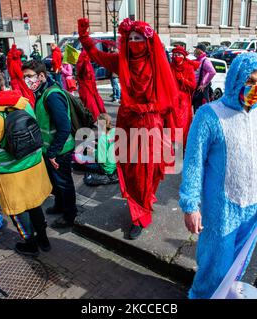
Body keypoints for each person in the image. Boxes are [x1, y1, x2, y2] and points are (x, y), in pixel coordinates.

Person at [179, 52, 257, 299]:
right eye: (250, 80)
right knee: (213, 267)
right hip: (221, 211)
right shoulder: (209, 115)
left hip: (255, 209)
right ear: (237, 79)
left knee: (238, 264)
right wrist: (190, 206)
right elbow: (194, 164)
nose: (256, 87)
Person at [78, 17, 178, 239]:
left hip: (151, 124)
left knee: (147, 171)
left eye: (138, 38)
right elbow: (97, 56)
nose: (134, 42)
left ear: (147, 40)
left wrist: (169, 130)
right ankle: (138, 209)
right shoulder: (121, 61)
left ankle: (141, 212)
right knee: (131, 170)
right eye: (130, 38)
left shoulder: (157, 64)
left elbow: (169, 100)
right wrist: (84, 37)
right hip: (127, 122)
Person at [0, 70, 53, 256]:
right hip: (34, 166)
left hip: (10, 174)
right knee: (35, 205)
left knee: (18, 211)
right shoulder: (23, 103)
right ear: (2, 85)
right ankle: (44, 240)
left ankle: (31, 245)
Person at [21, 60, 78, 229]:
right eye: (24, 77)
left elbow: (64, 126)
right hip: (50, 149)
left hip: (60, 150)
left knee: (64, 183)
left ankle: (69, 216)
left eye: (29, 76)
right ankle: (60, 205)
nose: (27, 80)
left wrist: (53, 152)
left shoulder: (52, 95)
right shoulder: (42, 91)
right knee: (56, 182)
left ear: (42, 76)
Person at [170, 46, 196, 148]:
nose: (177, 57)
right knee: (171, 124)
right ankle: (171, 149)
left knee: (183, 124)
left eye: (179, 55)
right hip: (171, 100)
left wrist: (183, 79)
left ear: (184, 56)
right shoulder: (170, 67)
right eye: (175, 55)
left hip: (184, 101)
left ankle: (182, 147)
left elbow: (193, 85)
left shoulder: (189, 68)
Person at [76, 50, 107, 121]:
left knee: (96, 103)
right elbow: (83, 72)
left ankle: (98, 119)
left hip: (91, 87)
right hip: (86, 88)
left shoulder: (86, 63)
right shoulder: (82, 63)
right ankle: (93, 119)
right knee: (91, 105)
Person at [192, 43, 216, 112]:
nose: (195, 50)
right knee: (196, 109)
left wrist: (203, 84)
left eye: (196, 49)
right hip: (197, 89)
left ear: (200, 50)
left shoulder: (205, 61)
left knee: (201, 109)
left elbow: (212, 72)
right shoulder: (198, 60)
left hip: (202, 90)